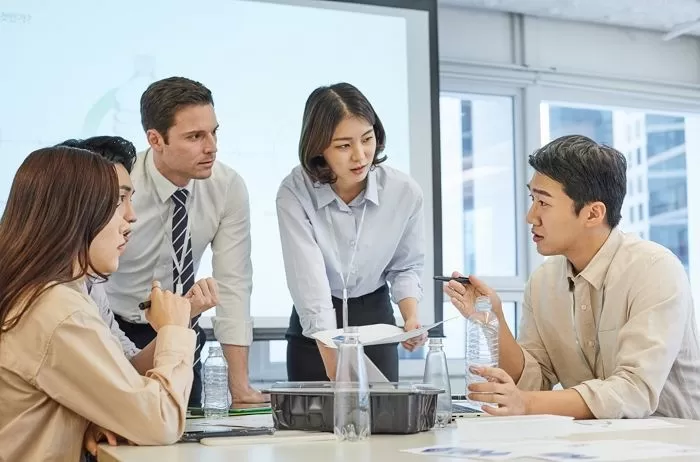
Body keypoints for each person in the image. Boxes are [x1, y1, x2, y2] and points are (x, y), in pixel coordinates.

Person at [445, 135, 700, 419]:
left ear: (593, 213)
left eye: (544, 202)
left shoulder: (655, 269)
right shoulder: (543, 281)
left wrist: (526, 403)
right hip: (594, 444)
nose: (531, 216)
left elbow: (633, 391)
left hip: (674, 443)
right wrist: (493, 320)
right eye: (533, 199)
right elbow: (534, 377)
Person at [0, 147, 195, 462]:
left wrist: (88, 419)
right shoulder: (58, 309)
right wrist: (174, 329)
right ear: (75, 214)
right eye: (115, 205)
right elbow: (160, 421)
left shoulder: (38, 293)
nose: (128, 220)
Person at [105, 76, 265, 406]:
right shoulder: (121, 185)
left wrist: (240, 386)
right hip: (115, 328)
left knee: (183, 436)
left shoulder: (227, 186)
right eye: (195, 137)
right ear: (155, 139)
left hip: (181, 330)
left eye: (213, 132)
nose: (212, 147)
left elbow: (233, 284)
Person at [277, 82, 426, 382]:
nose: (360, 155)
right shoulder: (295, 193)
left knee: (382, 423)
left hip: (375, 321)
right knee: (315, 426)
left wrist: (411, 317)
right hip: (315, 330)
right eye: (344, 145)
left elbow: (406, 266)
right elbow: (309, 285)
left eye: (367, 139)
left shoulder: (403, 192)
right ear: (319, 146)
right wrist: (336, 368)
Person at [57, 136, 219, 376]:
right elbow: (151, 410)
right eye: (120, 199)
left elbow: (129, 367)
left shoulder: (90, 283)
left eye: (130, 200)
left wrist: (182, 315)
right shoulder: (60, 305)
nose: (132, 216)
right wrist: (172, 328)